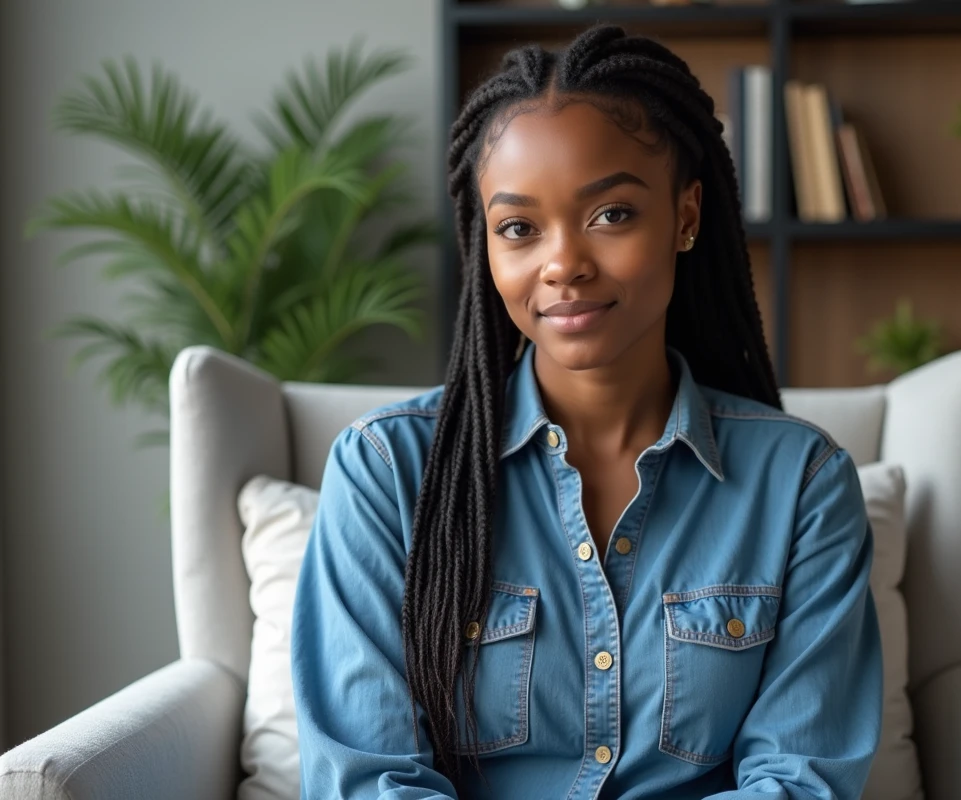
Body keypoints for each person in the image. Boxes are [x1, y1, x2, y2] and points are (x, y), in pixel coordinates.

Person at [291, 24, 882, 800]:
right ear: (486, 248)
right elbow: (367, 782)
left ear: (686, 216)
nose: (563, 262)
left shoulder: (803, 484)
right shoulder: (384, 472)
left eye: (611, 215)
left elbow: (801, 782)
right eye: (519, 228)